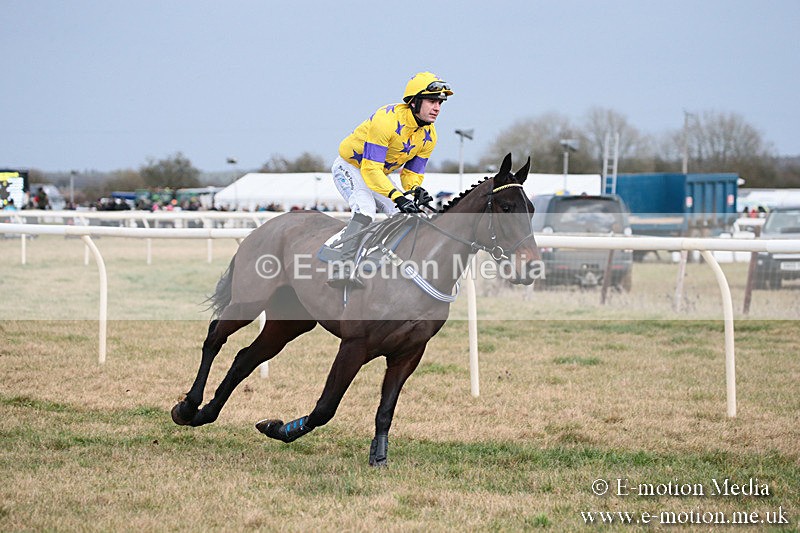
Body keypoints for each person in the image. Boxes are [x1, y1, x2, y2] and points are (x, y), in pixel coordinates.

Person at [327, 71, 453, 286]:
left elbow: (411, 174)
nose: (437, 108)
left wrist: (414, 191)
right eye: (432, 101)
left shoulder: (430, 135)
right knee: (366, 208)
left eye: (440, 103)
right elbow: (370, 169)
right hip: (351, 166)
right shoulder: (386, 120)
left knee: (403, 215)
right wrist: (398, 196)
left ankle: (377, 256)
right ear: (414, 102)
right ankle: (342, 268)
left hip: (377, 173)